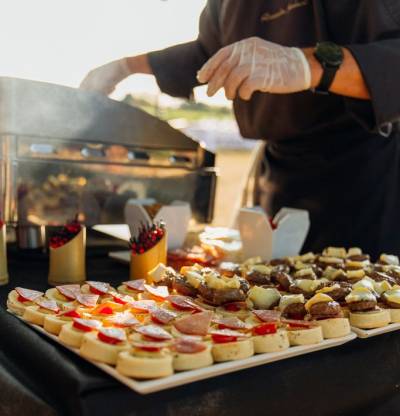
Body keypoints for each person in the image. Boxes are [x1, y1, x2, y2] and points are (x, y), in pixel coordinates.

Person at [80, 1, 400, 256]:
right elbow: (209, 54)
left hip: (365, 171)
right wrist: (127, 66)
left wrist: (308, 65)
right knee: (281, 299)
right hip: (279, 174)